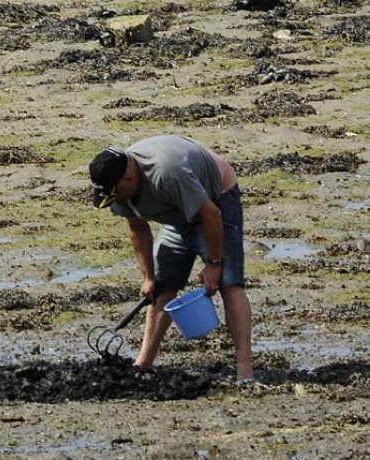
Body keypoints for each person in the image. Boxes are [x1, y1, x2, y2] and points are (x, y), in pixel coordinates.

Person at [88, 134, 253, 381]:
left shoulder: (168, 172)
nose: (118, 200)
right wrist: (148, 277)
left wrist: (214, 264)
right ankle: (143, 364)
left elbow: (211, 215)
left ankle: (245, 369)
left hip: (215, 198)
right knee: (162, 286)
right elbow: (137, 228)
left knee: (229, 284)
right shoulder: (117, 186)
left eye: (117, 193)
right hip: (175, 213)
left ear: (129, 178)